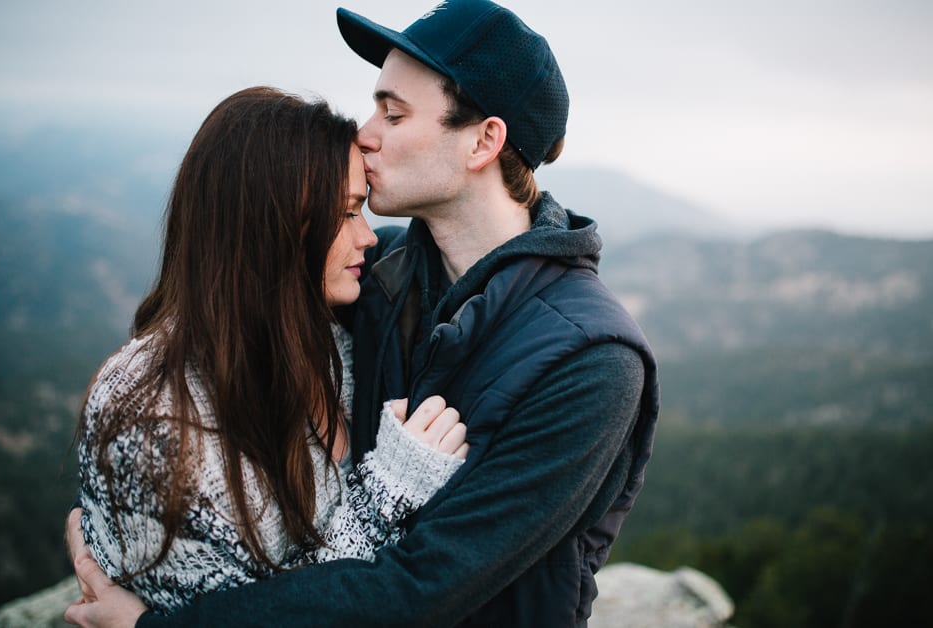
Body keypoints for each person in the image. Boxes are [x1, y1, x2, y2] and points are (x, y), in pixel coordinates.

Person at [65, 1, 659, 626]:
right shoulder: (374, 273)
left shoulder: (592, 363)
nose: (365, 133)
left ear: (484, 141)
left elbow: (422, 586)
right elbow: (236, 308)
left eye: (393, 113)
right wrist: (114, 527)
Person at [64, 86, 468, 619]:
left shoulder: (330, 339)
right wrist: (388, 493)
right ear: (270, 226)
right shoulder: (153, 419)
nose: (369, 238)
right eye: (347, 212)